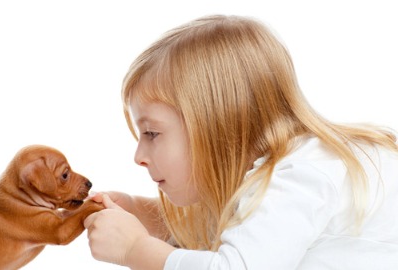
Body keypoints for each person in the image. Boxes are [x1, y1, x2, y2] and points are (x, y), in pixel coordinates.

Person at [83, 14, 398, 270]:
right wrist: (142, 214)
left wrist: (137, 249)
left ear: (215, 125)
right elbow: (236, 235)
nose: (139, 156)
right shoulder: (278, 184)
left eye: (151, 133)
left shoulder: (301, 175)